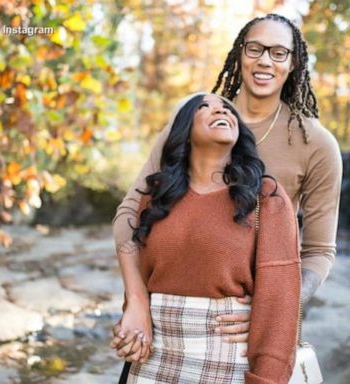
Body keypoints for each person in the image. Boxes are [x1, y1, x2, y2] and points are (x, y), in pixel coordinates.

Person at [110, 13, 342, 373]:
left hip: (246, 333)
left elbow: (318, 251)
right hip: (166, 326)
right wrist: (136, 299)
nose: (265, 60)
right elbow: (130, 212)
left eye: (279, 52)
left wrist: (272, 311)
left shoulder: (316, 144)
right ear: (239, 54)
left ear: (294, 64)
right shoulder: (191, 121)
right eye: (256, 48)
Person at [111, 92, 301, 383]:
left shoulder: (266, 197)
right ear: (184, 132)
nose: (221, 111)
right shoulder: (155, 197)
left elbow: (279, 301)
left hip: (226, 361)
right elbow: (140, 273)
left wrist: (267, 377)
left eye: (227, 108)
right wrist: (133, 316)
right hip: (153, 359)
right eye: (205, 107)